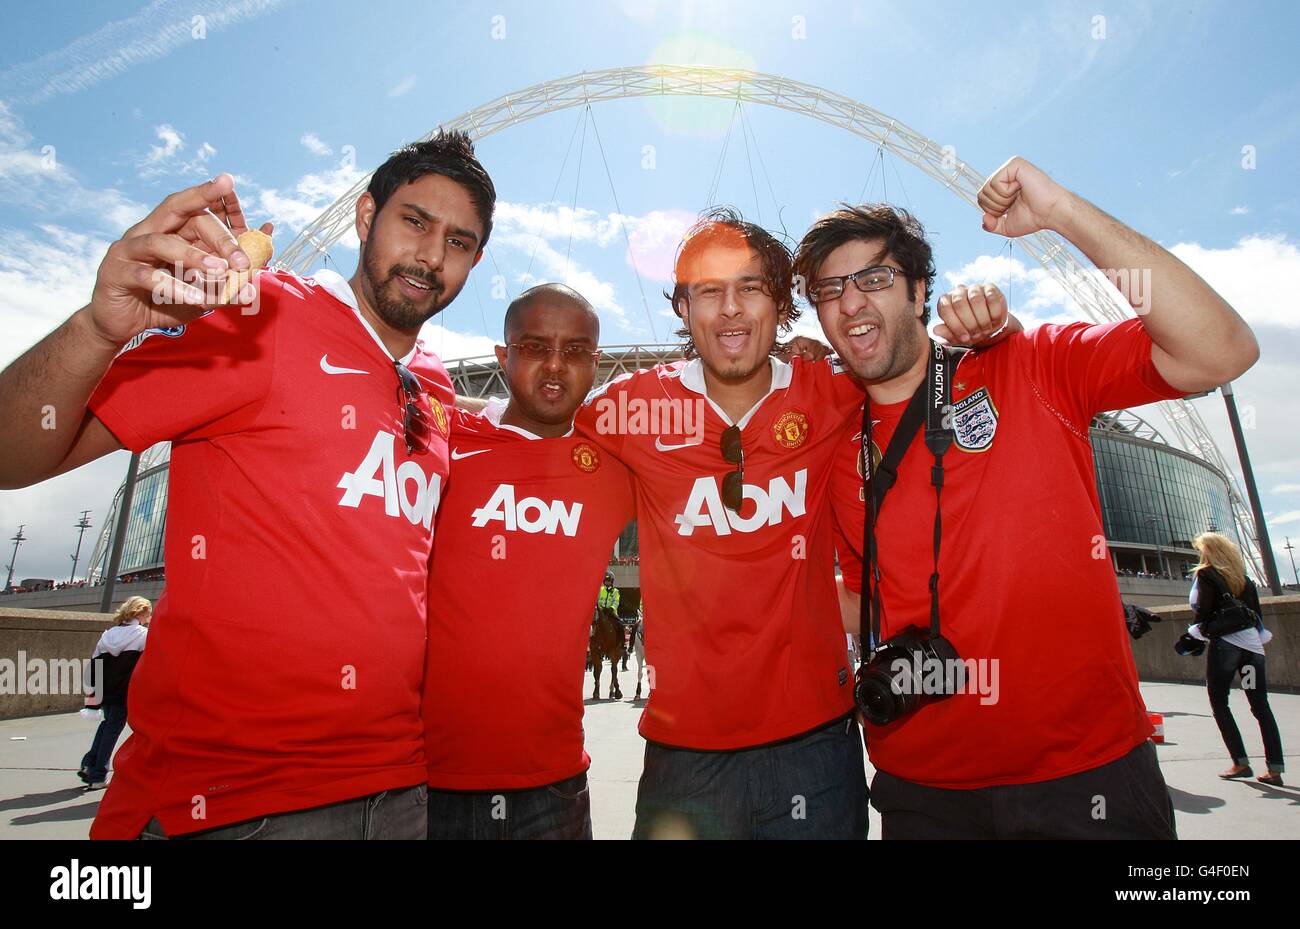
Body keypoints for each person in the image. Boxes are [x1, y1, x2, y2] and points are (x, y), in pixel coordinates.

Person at [0, 131, 495, 839]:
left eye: (459, 241)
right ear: (365, 217)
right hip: (231, 802)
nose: (429, 256)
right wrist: (97, 327)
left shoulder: (436, 387)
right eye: (414, 221)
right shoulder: (259, 316)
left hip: (398, 794)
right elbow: (13, 455)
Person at [797, 155, 1259, 839]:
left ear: (921, 290)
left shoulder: (1030, 363)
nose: (851, 301)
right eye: (829, 289)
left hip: (1088, 780)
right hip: (921, 792)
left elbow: (1222, 351)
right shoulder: (831, 440)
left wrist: (1059, 212)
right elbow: (859, 596)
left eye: (874, 277)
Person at [570, 208, 1010, 839]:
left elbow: (921, 366)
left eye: (750, 288)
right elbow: (529, 427)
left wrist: (999, 327)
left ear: (781, 308)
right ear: (683, 308)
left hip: (819, 751)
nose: (729, 309)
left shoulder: (832, 394)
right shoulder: (630, 407)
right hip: (684, 759)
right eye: (708, 291)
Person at [424, 284, 635, 839]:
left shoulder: (614, 469)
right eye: (537, 346)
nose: (556, 367)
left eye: (576, 351)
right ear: (503, 357)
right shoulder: (445, 447)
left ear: (596, 362)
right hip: (427, 783)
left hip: (556, 784)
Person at [1187, 532, 1284, 786]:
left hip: (1226, 647)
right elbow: (1257, 614)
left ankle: (1240, 762)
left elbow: (1203, 611)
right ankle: (1275, 768)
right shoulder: (1244, 579)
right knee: (1260, 705)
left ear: (1207, 551)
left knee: (1220, 702)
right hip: (1253, 647)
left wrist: (1194, 634)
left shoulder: (1206, 574)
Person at [79, 596, 152, 790]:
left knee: (106, 726)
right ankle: (97, 775)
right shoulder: (143, 635)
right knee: (112, 730)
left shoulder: (109, 634)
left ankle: (89, 763)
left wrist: (94, 694)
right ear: (140, 612)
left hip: (106, 689)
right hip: (125, 689)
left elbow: (96, 663)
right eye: (148, 613)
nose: (149, 617)